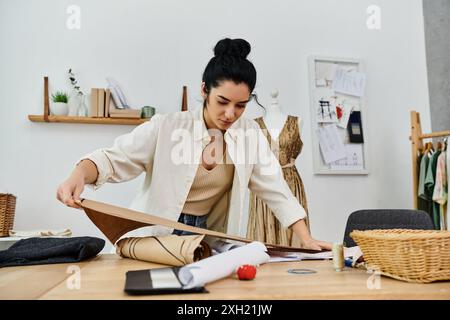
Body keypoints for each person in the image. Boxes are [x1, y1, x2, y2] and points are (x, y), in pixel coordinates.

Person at [56, 38, 332, 251]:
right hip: (158, 231)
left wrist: (306, 239)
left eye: (240, 106)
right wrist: (79, 173)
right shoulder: (168, 126)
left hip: (206, 235)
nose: (229, 114)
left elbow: (276, 189)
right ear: (204, 90)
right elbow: (114, 159)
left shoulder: (248, 134)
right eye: (222, 102)